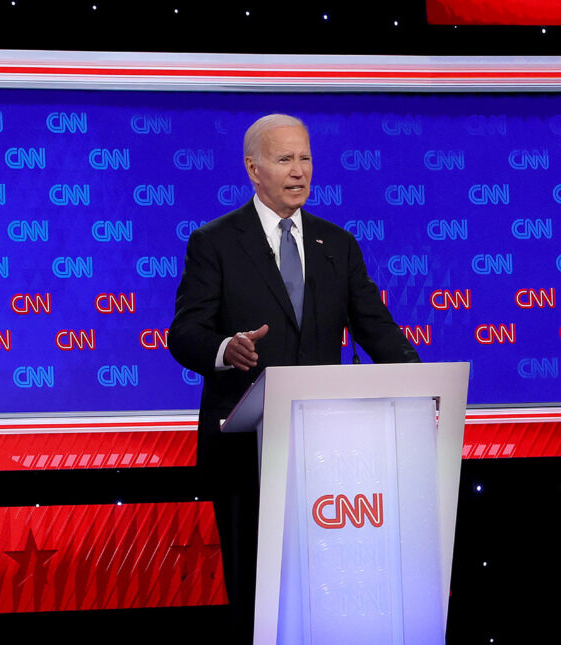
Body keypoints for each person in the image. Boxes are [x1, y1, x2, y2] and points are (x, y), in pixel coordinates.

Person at [168, 113, 419, 642]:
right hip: (246, 454)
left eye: (305, 158)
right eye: (285, 159)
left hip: (329, 454)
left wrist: (419, 382)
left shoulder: (337, 244)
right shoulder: (213, 242)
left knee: (323, 590)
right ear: (253, 169)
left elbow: (375, 326)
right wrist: (225, 348)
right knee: (256, 595)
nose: (299, 171)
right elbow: (184, 333)